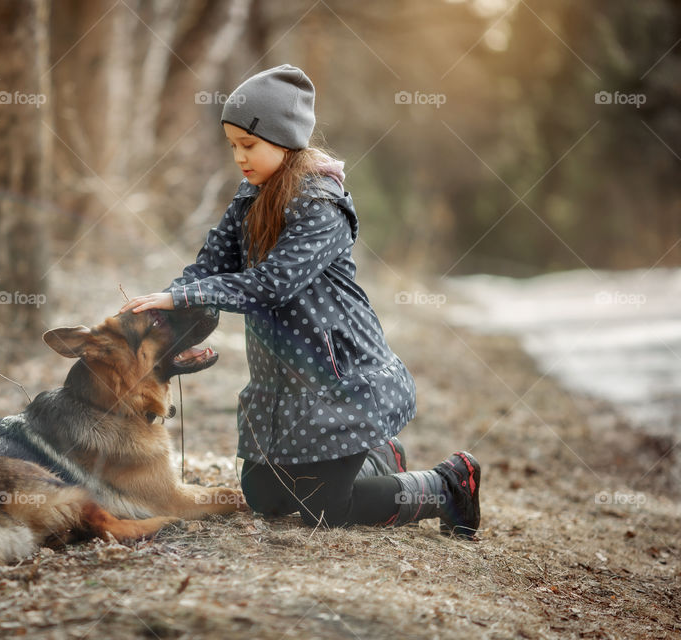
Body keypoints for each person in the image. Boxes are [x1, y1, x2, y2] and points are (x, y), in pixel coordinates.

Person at [120, 64, 481, 538]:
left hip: (340, 378)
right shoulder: (250, 197)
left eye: (248, 145)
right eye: (232, 146)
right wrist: (165, 310)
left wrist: (182, 294)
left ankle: (449, 484)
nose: (239, 158)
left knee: (327, 507)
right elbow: (208, 268)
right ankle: (380, 456)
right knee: (264, 497)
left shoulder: (320, 204)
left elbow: (273, 284)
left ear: (285, 139)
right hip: (282, 385)